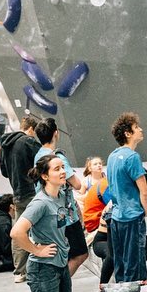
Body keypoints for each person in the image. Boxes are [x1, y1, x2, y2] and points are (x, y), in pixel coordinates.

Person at [0, 155, 72, 292]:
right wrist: (37, 250)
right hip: (44, 267)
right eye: (57, 169)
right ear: (45, 176)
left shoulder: (61, 195)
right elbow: (16, 232)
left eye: (63, 167)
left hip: (60, 261)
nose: (63, 172)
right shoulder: (40, 203)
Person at [33, 118, 88, 276]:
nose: (61, 171)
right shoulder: (57, 157)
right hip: (64, 213)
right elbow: (77, 185)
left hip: (50, 211)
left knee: (63, 255)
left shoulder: (39, 155)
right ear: (56, 133)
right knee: (79, 254)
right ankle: (62, 288)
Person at [106, 112, 147, 283]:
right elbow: (144, 191)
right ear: (128, 134)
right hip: (132, 217)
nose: (140, 130)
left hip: (117, 217)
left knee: (122, 262)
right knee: (135, 264)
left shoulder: (112, 157)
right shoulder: (132, 157)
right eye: (136, 128)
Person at [0, 116, 42, 283]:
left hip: (17, 192)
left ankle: (19, 271)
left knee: (18, 233)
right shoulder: (28, 142)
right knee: (41, 229)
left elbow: (3, 171)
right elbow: (43, 162)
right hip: (32, 192)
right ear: (31, 129)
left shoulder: (6, 144)